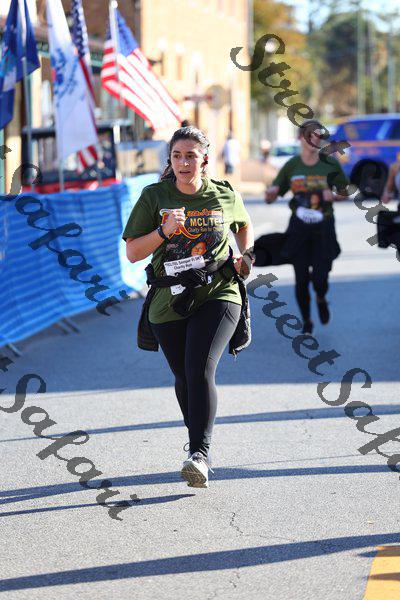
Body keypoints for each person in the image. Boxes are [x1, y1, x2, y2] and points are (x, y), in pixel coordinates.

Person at [123, 126, 255, 489]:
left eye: (191, 156)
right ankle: (197, 438)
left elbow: (244, 226)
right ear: (170, 159)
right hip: (169, 297)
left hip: (218, 290)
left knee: (200, 368)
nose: (184, 163)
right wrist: (163, 232)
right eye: (177, 156)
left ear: (204, 159)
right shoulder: (155, 196)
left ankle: (199, 454)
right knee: (184, 376)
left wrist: (245, 257)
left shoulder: (223, 193)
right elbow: (133, 253)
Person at [265, 120, 349, 334]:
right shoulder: (292, 165)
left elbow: (345, 191)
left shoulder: (330, 164)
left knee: (320, 277)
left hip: (324, 226)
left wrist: (334, 195)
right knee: (301, 278)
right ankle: (307, 320)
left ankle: (320, 296)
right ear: (300, 138)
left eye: (318, 136)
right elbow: (273, 194)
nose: (314, 140)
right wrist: (271, 194)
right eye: (310, 136)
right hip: (299, 228)